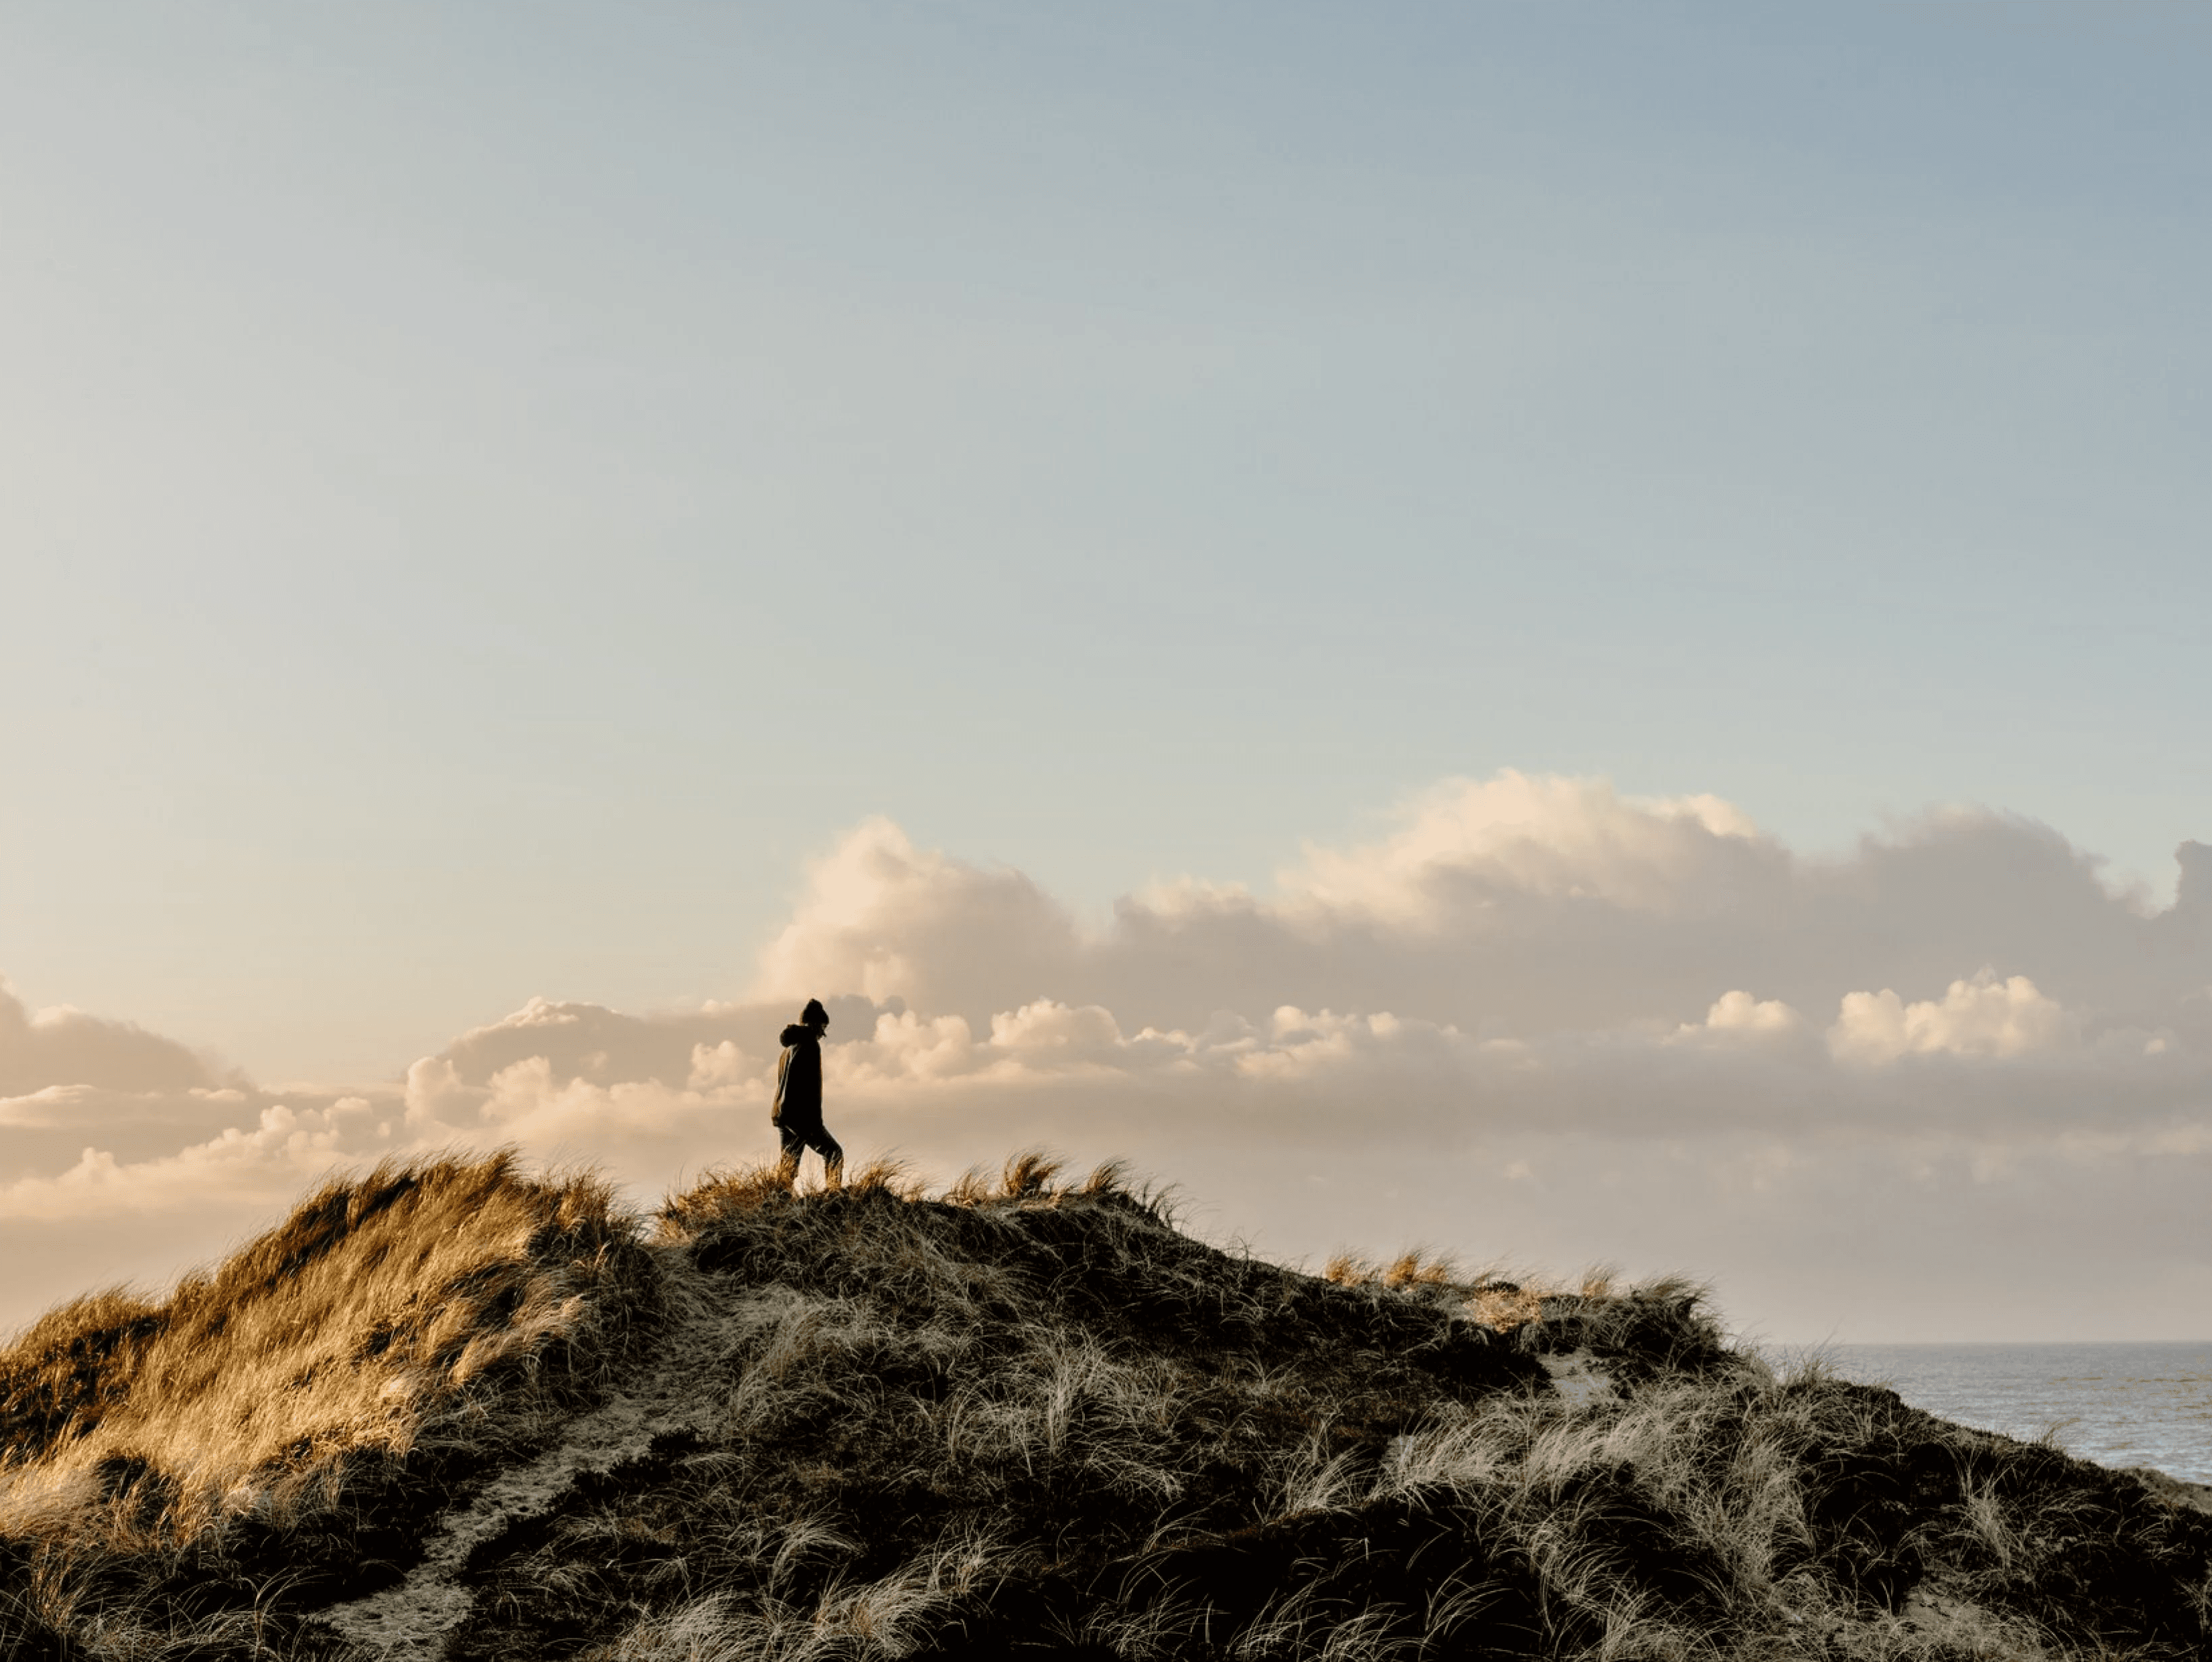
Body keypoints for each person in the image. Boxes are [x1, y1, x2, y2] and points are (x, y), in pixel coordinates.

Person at [771, 998, 843, 1190]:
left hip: (783, 1114)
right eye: (823, 1027)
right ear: (816, 1025)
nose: (823, 1034)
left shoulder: (787, 1049)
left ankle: (778, 1203)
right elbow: (808, 1088)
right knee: (834, 1153)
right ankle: (834, 1196)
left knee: (788, 1166)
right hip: (801, 1117)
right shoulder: (811, 1045)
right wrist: (814, 1123)